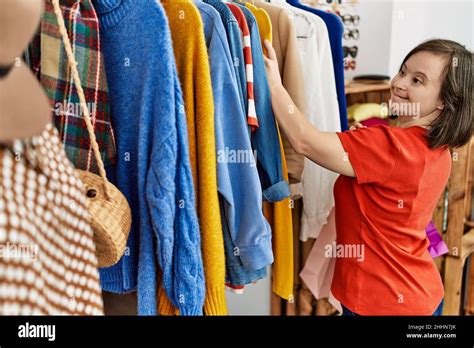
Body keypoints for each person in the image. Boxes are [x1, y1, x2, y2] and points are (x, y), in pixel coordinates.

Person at [263, 38, 473, 315]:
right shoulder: (439, 150)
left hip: (381, 302)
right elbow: (393, 192)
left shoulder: (389, 145)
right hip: (421, 295)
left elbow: (304, 142)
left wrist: (274, 85)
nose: (399, 82)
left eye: (418, 80)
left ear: (445, 101)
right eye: (403, 71)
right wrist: (364, 150)